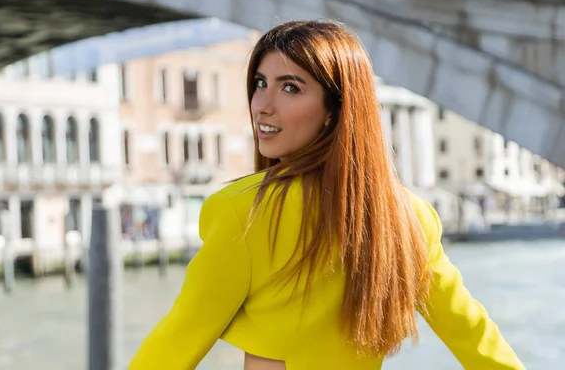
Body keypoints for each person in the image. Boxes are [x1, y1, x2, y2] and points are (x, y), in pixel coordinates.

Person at [129, 20, 524, 370]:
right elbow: (474, 337)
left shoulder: (243, 213)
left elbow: (175, 343)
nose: (262, 106)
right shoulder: (409, 216)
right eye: (260, 84)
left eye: (290, 87)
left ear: (336, 109)